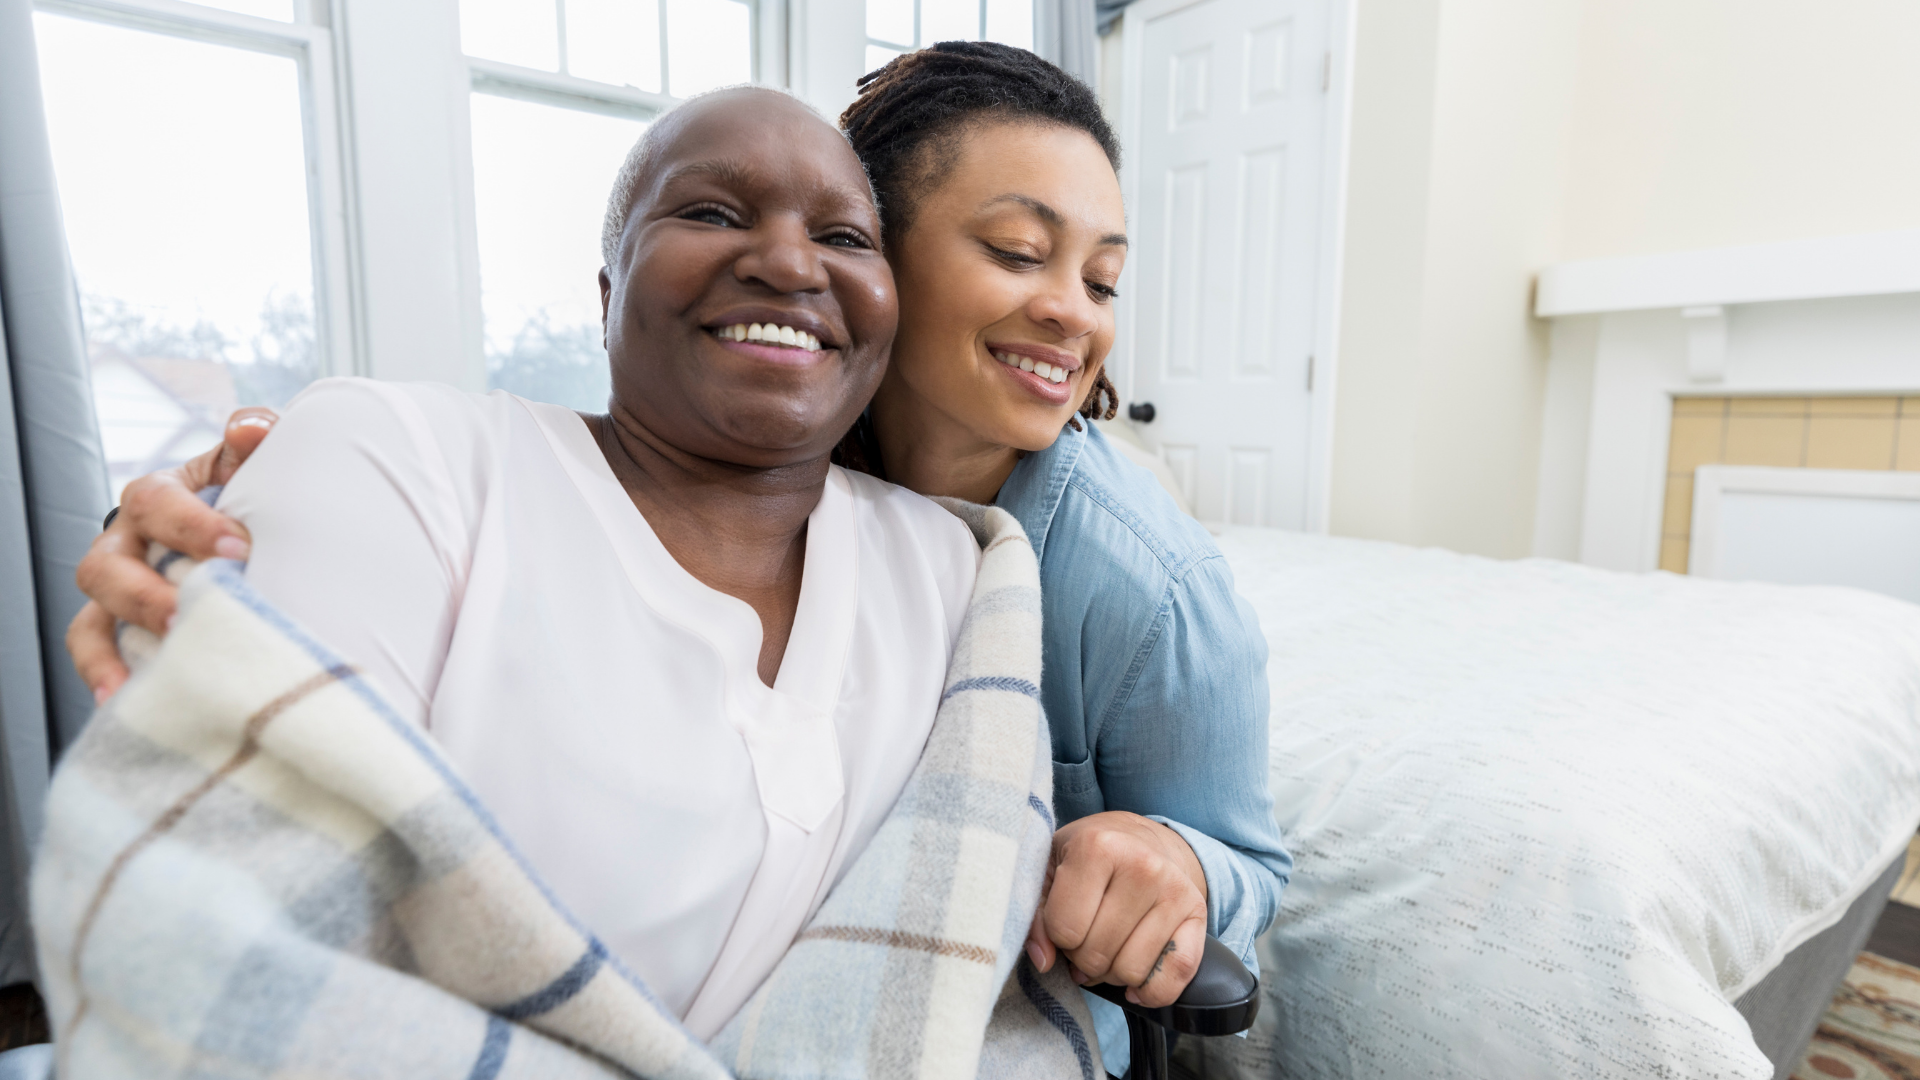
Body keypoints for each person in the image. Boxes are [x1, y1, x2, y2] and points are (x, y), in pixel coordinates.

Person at [72, 43, 1288, 1074]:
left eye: (1104, 277)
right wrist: (252, 524)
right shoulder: (749, 429)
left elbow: (1249, 853)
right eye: (1019, 254)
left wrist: (1173, 858)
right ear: (895, 268)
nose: (1075, 309)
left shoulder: (1100, 582)